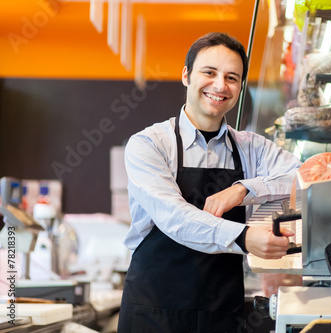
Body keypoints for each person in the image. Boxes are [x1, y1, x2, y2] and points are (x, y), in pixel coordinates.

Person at [116, 32, 301, 333]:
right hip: (153, 312)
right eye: (209, 72)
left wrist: (243, 189)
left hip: (221, 314)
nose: (220, 85)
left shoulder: (251, 148)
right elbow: (175, 217)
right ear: (186, 75)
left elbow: (304, 175)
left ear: (240, 87)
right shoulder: (149, 144)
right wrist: (244, 237)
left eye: (232, 77)